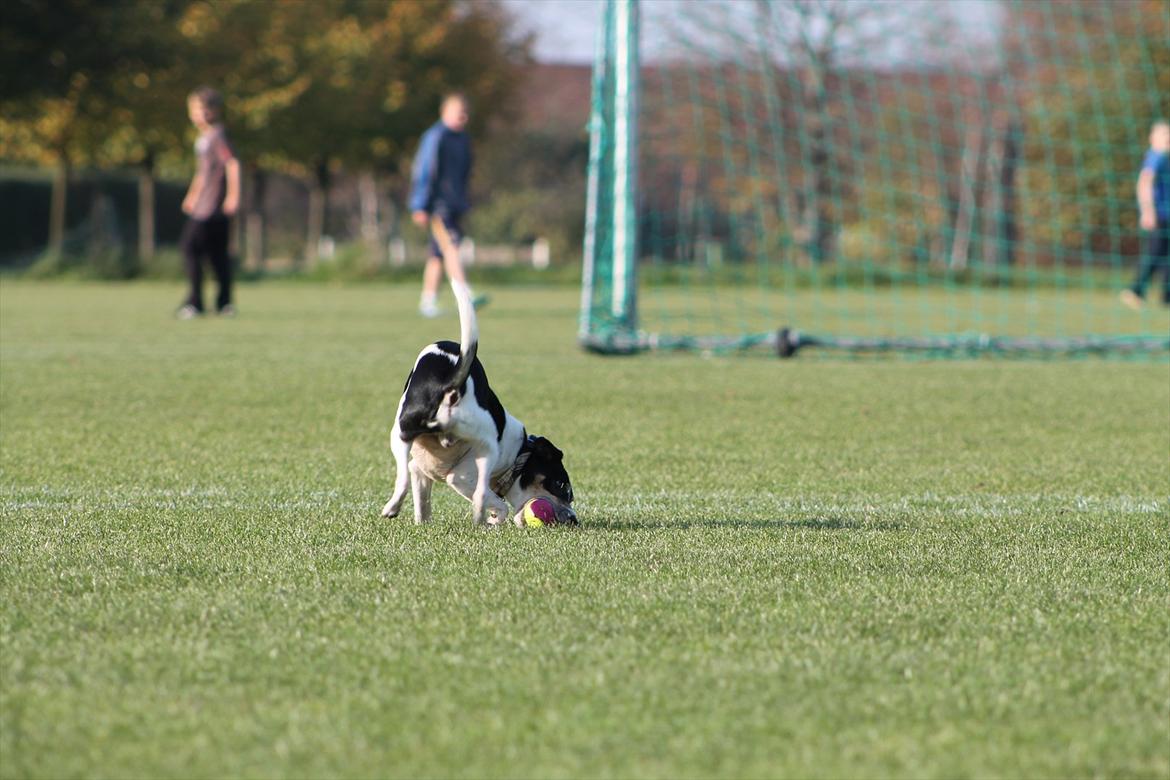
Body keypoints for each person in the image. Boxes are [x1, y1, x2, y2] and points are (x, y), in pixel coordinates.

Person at [408, 92, 487, 318]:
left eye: (465, 113)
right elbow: (425, 171)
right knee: (451, 245)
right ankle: (465, 292)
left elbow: (464, 175)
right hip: (438, 205)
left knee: (437, 255)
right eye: (458, 112)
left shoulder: (463, 140)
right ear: (445, 112)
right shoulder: (436, 137)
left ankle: (428, 301)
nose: (463, 117)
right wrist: (420, 204)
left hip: (455, 204)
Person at [177, 86, 240, 319]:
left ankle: (196, 303)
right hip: (203, 204)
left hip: (214, 206)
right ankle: (223, 304)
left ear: (214, 111)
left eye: (202, 110)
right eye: (194, 110)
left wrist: (233, 196)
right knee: (216, 255)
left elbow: (232, 163)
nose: (197, 115)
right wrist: (192, 195)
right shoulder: (203, 138)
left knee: (190, 248)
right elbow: (203, 173)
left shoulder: (218, 135)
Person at [1121, 119, 1170, 309]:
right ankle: (1134, 290)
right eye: (1164, 134)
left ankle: (1166, 296)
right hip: (1158, 215)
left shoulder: (1165, 157)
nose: (1168, 138)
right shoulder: (1155, 156)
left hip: (1166, 214)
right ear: (1153, 137)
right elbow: (1144, 182)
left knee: (1166, 256)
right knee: (1155, 253)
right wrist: (1147, 212)